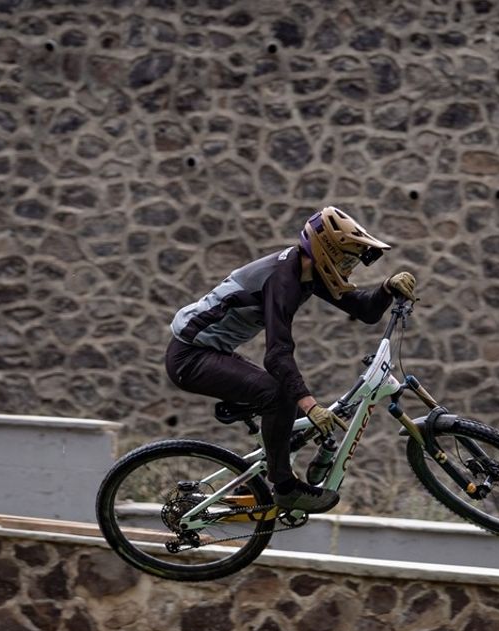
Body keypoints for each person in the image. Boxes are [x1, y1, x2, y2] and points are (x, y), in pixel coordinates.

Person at [165, 207, 418, 513]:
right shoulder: (282, 279)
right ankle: (284, 487)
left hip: (212, 352)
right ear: (325, 251)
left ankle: (252, 484)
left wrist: (387, 287)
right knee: (281, 394)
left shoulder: (308, 272)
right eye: (346, 259)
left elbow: (364, 310)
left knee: (289, 407)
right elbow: (277, 353)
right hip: (190, 358)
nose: (349, 268)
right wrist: (311, 405)